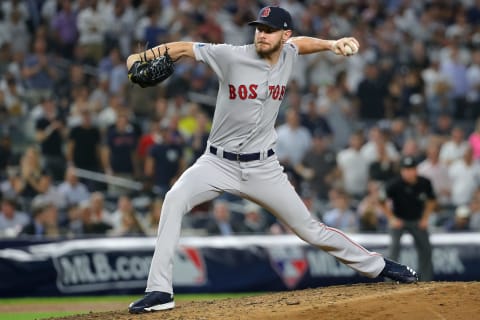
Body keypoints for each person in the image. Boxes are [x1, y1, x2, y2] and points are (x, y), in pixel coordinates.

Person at [126, 6, 418, 314]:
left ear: (284, 34)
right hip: (217, 163)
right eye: (258, 28)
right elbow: (184, 48)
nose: (261, 34)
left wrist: (331, 44)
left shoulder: (289, 53)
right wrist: (140, 59)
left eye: (268, 30)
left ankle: (380, 266)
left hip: (262, 167)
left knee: (310, 229)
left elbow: (301, 44)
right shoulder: (231, 55)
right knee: (174, 199)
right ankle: (159, 290)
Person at [381, 156, 436, 281]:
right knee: (393, 249)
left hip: (417, 220)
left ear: (416, 170)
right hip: (399, 220)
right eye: (405, 169)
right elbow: (381, 200)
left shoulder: (424, 183)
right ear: (401, 171)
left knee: (426, 249)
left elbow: (432, 200)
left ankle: (426, 280)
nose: (408, 172)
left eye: (411, 169)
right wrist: (391, 218)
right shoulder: (394, 184)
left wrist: (425, 218)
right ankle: (390, 280)